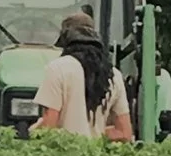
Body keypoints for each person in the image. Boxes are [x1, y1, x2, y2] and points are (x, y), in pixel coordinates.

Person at [32, 10, 132, 141]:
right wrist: (97, 133)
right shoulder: (113, 75)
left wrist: (34, 131)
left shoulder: (57, 68)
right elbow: (124, 133)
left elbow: (49, 127)